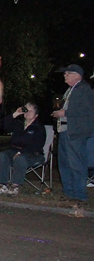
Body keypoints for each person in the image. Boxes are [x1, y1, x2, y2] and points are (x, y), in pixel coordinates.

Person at [51, 64, 94, 203]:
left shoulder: (84, 89)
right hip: (64, 131)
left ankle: (80, 194)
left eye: (67, 73)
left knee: (77, 164)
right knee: (64, 164)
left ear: (76, 75)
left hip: (76, 133)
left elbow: (88, 111)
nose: (65, 75)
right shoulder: (70, 90)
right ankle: (69, 192)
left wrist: (65, 113)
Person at [0, 102, 46, 197]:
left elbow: (36, 146)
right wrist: (15, 114)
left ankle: (15, 186)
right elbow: (4, 126)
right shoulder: (19, 124)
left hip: (33, 154)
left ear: (36, 115)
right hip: (14, 151)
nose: (28, 112)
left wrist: (20, 152)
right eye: (26, 110)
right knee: (2, 155)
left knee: (20, 158)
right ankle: (2, 184)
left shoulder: (39, 128)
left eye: (31, 111)